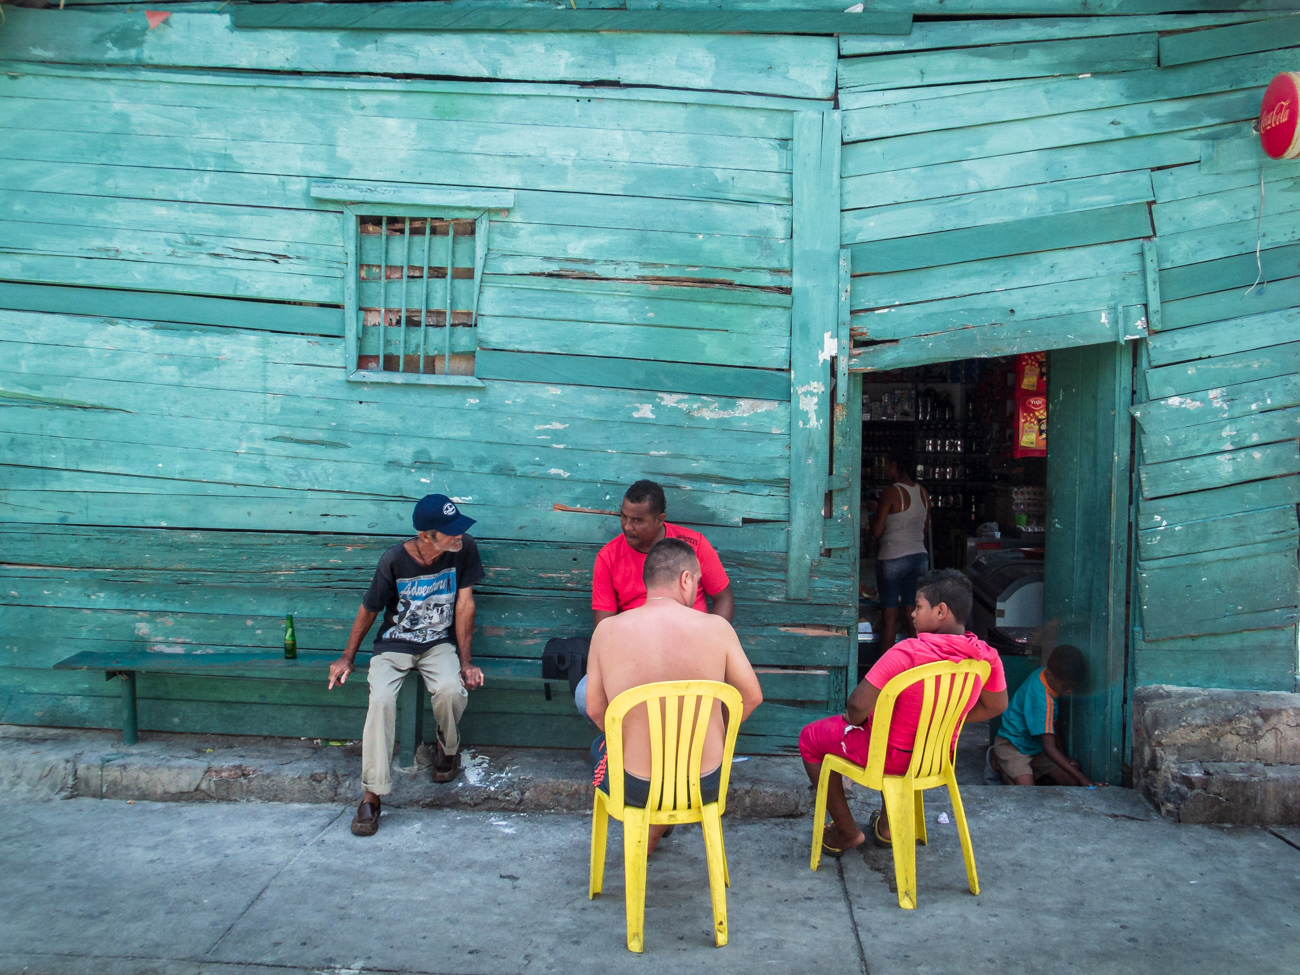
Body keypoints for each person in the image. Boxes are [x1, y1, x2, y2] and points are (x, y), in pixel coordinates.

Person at [798, 569, 1007, 855]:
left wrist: (852, 720)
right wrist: (943, 719)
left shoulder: (908, 651)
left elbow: (857, 706)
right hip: (933, 759)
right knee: (896, 727)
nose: (911, 613)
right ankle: (886, 828)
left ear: (941, 611)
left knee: (810, 738)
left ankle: (846, 831)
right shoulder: (985, 656)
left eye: (918, 606)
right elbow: (997, 705)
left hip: (886, 758)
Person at [585, 538, 763, 855]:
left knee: (600, 747)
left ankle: (643, 839)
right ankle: (654, 833)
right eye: (696, 581)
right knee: (682, 767)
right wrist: (712, 734)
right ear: (685, 578)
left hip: (637, 786)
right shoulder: (718, 628)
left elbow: (597, 710)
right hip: (704, 783)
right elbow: (750, 697)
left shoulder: (607, 631)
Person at [327, 494, 486, 836]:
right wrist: (347, 656)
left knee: (450, 690)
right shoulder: (394, 560)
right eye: (449, 532)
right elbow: (369, 608)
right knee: (381, 700)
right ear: (426, 535)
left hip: (438, 644)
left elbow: (465, 604)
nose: (458, 535)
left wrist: (466, 662)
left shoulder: (465, 549)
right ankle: (372, 794)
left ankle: (447, 748)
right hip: (395, 644)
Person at [573, 479, 735, 717]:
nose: (627, 526)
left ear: (660, 519)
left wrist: (709, 641)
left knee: (721, 692)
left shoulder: (693, 545)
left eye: (637, 520)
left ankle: (690, 750)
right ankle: (629, 747)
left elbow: (724, 598)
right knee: (583, 695)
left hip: (691, 653)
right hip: (634, 656)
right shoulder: (608, 557)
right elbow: (604, 628)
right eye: (623, 517)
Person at [989, 645, 1104, 787]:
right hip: (1012, 745)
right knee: (1027, 790)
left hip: (1035, 747)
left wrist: (1065, 757)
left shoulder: (1044, 674)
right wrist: (1083, 778)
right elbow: (1049, 748)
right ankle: (997, 763)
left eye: (1072, 687)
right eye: (1066, 686)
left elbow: (1052, 724)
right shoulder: (1042, 701)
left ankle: (1023, 770)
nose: (1069, 692)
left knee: (1070, 782)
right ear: (1050, 675)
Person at [869, 450, 930, 652]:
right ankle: (917, 663)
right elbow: (925, 528)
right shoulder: (923, 492)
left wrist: (873, 513)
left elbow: (877, 531)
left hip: (893, 558)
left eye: (887, 465)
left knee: (890, 617)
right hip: (919, 557)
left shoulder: (891, 492)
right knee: (915, 615)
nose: (884, 469)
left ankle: (885, 672)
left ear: (895, 465)